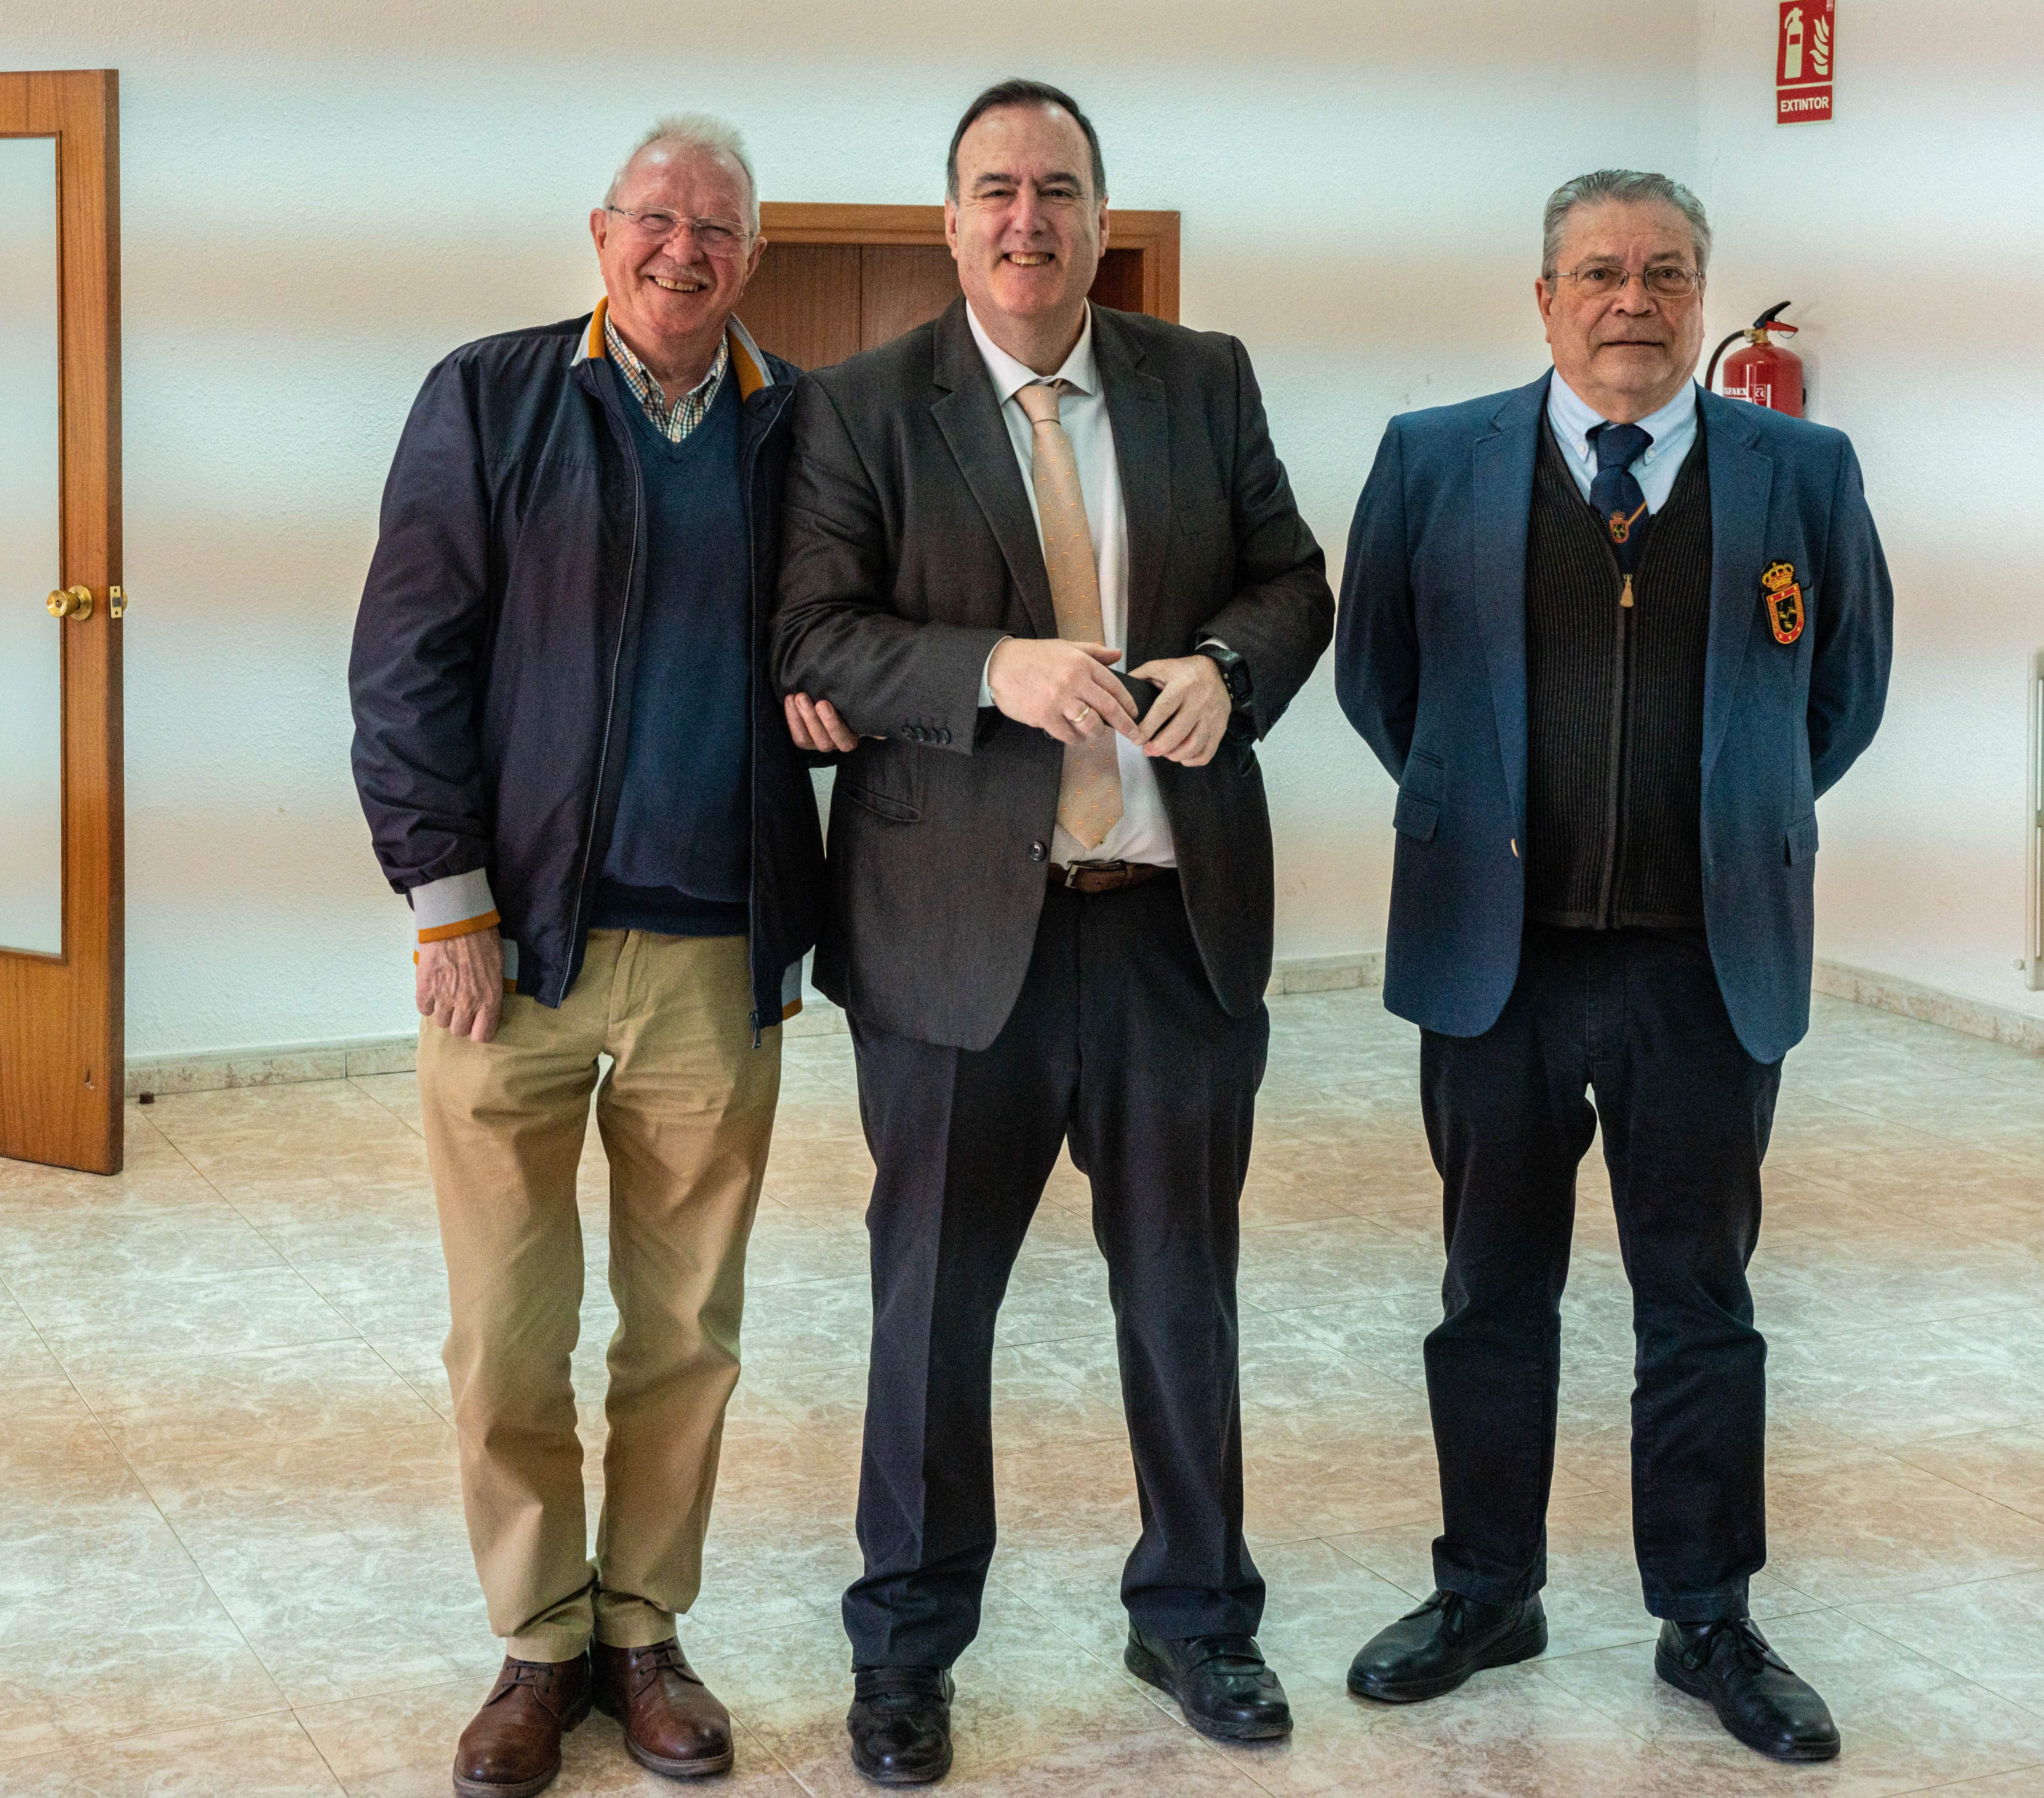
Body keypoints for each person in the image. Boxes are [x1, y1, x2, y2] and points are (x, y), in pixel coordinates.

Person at [773, 77, 1334, 1787]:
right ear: (950, 222)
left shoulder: (1201, 381)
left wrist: (1227, 675)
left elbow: (1292, 585)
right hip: (951, 944)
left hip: (1170, 930)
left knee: (1183, 1295)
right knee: (930, 1305)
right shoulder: (863, 407)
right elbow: (809, 630)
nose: (1028, 218)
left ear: (1100, 217)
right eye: (995, 190)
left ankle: (1194, 1615)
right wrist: (985, 669)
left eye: (1059, 189)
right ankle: (908, 1646)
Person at [1333, 168, 1892, 1764]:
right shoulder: (1432, 462)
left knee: (1698, 1303)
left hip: (1702, 970)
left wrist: (1730, 823)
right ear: (1542, 299)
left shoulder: (1800, 470)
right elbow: (1385, 681)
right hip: (1491, 966)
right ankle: (1485, 1588)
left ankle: (1705, 1615)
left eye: (1660, 271)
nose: (1627, 300)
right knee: (1486, 1294)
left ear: (1700, 292)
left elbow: (1833, 694)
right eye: (1595, 272)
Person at [348, 116, 826, 1797]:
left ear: (750, 258)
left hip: (718, 945)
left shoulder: (802, 427)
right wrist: (447, 897)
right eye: (654, 220)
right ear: (600, 233)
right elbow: (405, 660)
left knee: (685, 1323)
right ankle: (538, 1644)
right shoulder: (486, 396)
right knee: (507, 1327)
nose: (680, 251)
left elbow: (842, 637)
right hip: (515, 949)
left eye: (714, 229)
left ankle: (645, 1631)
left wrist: (840, 700)